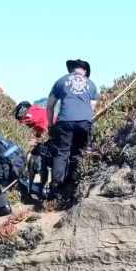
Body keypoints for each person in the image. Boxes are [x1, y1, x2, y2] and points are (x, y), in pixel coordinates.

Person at [45, 59, 97, 197]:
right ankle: (74, 184)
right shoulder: (91, 84)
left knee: (61, 153)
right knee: (79, 152)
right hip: (84, 122)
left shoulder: (60, 81)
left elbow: (50, 105)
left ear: (72, 69)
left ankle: (56, 187)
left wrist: (50, 125)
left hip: (64, 121)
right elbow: (92, 108)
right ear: (85, 71)